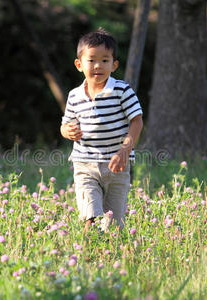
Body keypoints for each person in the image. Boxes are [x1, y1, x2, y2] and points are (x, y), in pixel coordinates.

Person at [60, 28, 143, 232]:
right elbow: (65, 125)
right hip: (85, 164)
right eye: (92, 60)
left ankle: (109, 257)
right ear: (79, 64)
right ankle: (87, 256)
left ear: (114, 65)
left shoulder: (122, 90)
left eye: (105, 60)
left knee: (114, 224)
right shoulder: (74, 96)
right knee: (91, 216)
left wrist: (124, 151)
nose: (98, 65)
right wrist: (67, 131)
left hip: (117, 165)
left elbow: (137, 121)